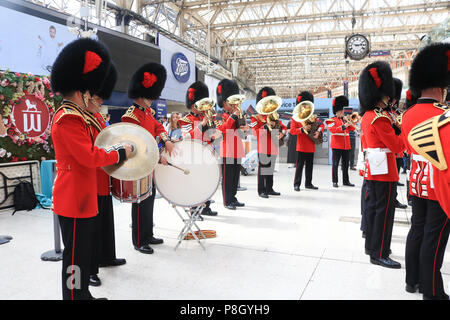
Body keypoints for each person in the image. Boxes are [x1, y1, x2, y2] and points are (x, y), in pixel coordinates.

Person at [50, 38, 132, 300]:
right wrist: (119, 152)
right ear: (82, 90)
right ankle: (74, 296)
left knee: (83, 253)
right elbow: (88, 156)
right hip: (74, 197)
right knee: (74, 256)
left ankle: (82, 293)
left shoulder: (80, 115)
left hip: (83, 196)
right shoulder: (68, 118)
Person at [400, 42, 450, 300]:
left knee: (417, 229)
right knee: (435, 237)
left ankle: (412, 281)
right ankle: (432, 290)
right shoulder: (442, 114)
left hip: (416, 181)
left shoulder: (407, 114)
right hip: (438, 183)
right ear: (440, 87)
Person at [121, 62, 175, 254]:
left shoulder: (148, 113)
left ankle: (148, 233)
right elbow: (136, 146)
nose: (153, 100)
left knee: (149, 200)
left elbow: (159, 128)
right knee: (139, 203)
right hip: (139, 166)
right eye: (150, 96)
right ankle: (138, 239)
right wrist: (157, 156)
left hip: (150, 166)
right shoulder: (131, 117)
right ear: (141, 95)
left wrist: (166, 140)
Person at [358, 60, 405, 269]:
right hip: (384, 170)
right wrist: (402, 131)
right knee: (384, 213)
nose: (389, 97)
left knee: (376, 210)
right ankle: (380, 253)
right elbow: (397, 147)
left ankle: (372, 247)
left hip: (374, 168)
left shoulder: (369, 116)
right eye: (387, 94)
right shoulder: (380, 118)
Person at [86, 63, 126, 287]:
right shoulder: (81, 118)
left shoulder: (98, 118)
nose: (101, 102)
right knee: (90, 229)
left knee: (105, 222)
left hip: (103, 178)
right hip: (91, 179)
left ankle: (106, 256)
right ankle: (91, 268)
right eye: (98, 98)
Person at [178, 81, 219, 216]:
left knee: (207, 182)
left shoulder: (208, 117)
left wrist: (214, 134)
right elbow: (187, 137)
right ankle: (194, 210)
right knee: (195, 183)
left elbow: (213, 137)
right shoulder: (186, 120)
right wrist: (202, 125)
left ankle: (205, 207)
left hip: (208, 153)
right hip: (194, 155)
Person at [215, 79, 249, 210]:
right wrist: (233, 116)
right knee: (227, 178)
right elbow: (223, 129)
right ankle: (226, 200)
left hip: (237, 148)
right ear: (224, 102)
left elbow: (241, 133)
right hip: (227, 149)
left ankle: (233, 198)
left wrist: (245, 129)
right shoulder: (219, 115)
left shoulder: (236, 114)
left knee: (235, 177)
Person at [250, 87, 286, 198]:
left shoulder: (274, 116)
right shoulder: (255, 118)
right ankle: (261, 190)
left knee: (270, 169)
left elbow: (284, 127)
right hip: (264, 147)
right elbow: (255, 132)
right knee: (263, 170)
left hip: (274, 146)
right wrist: (266, 126)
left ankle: (269, 189)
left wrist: (282, 133)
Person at [290, 91, 323, 191]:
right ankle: (296, 184)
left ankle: (308, 183)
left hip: (311, 145)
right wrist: (302, 129)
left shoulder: (312, 116)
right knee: (299, 167)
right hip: (301, 146)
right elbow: (292, 131)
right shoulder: (295, 118)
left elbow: (322, 124)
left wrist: (318, 131)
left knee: (309, 166)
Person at [325, 95, 355, 188]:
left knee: (345, 165)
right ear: (337, 111)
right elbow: (333, 130)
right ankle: (335, 181)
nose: (342, 113)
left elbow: (353, 128)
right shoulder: (331, 120)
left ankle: (346, 181)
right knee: (335, 164)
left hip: (346, 146)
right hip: (337, 145)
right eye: (341, 111)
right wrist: (343, 126)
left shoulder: (345, 120)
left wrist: (350, 121)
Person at [389, 78, 408, 210]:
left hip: (396, 150)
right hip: (391, 149)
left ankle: (393, 197)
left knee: (394, 176)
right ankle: (393, 199)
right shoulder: (386, 114)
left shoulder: (393, 112)